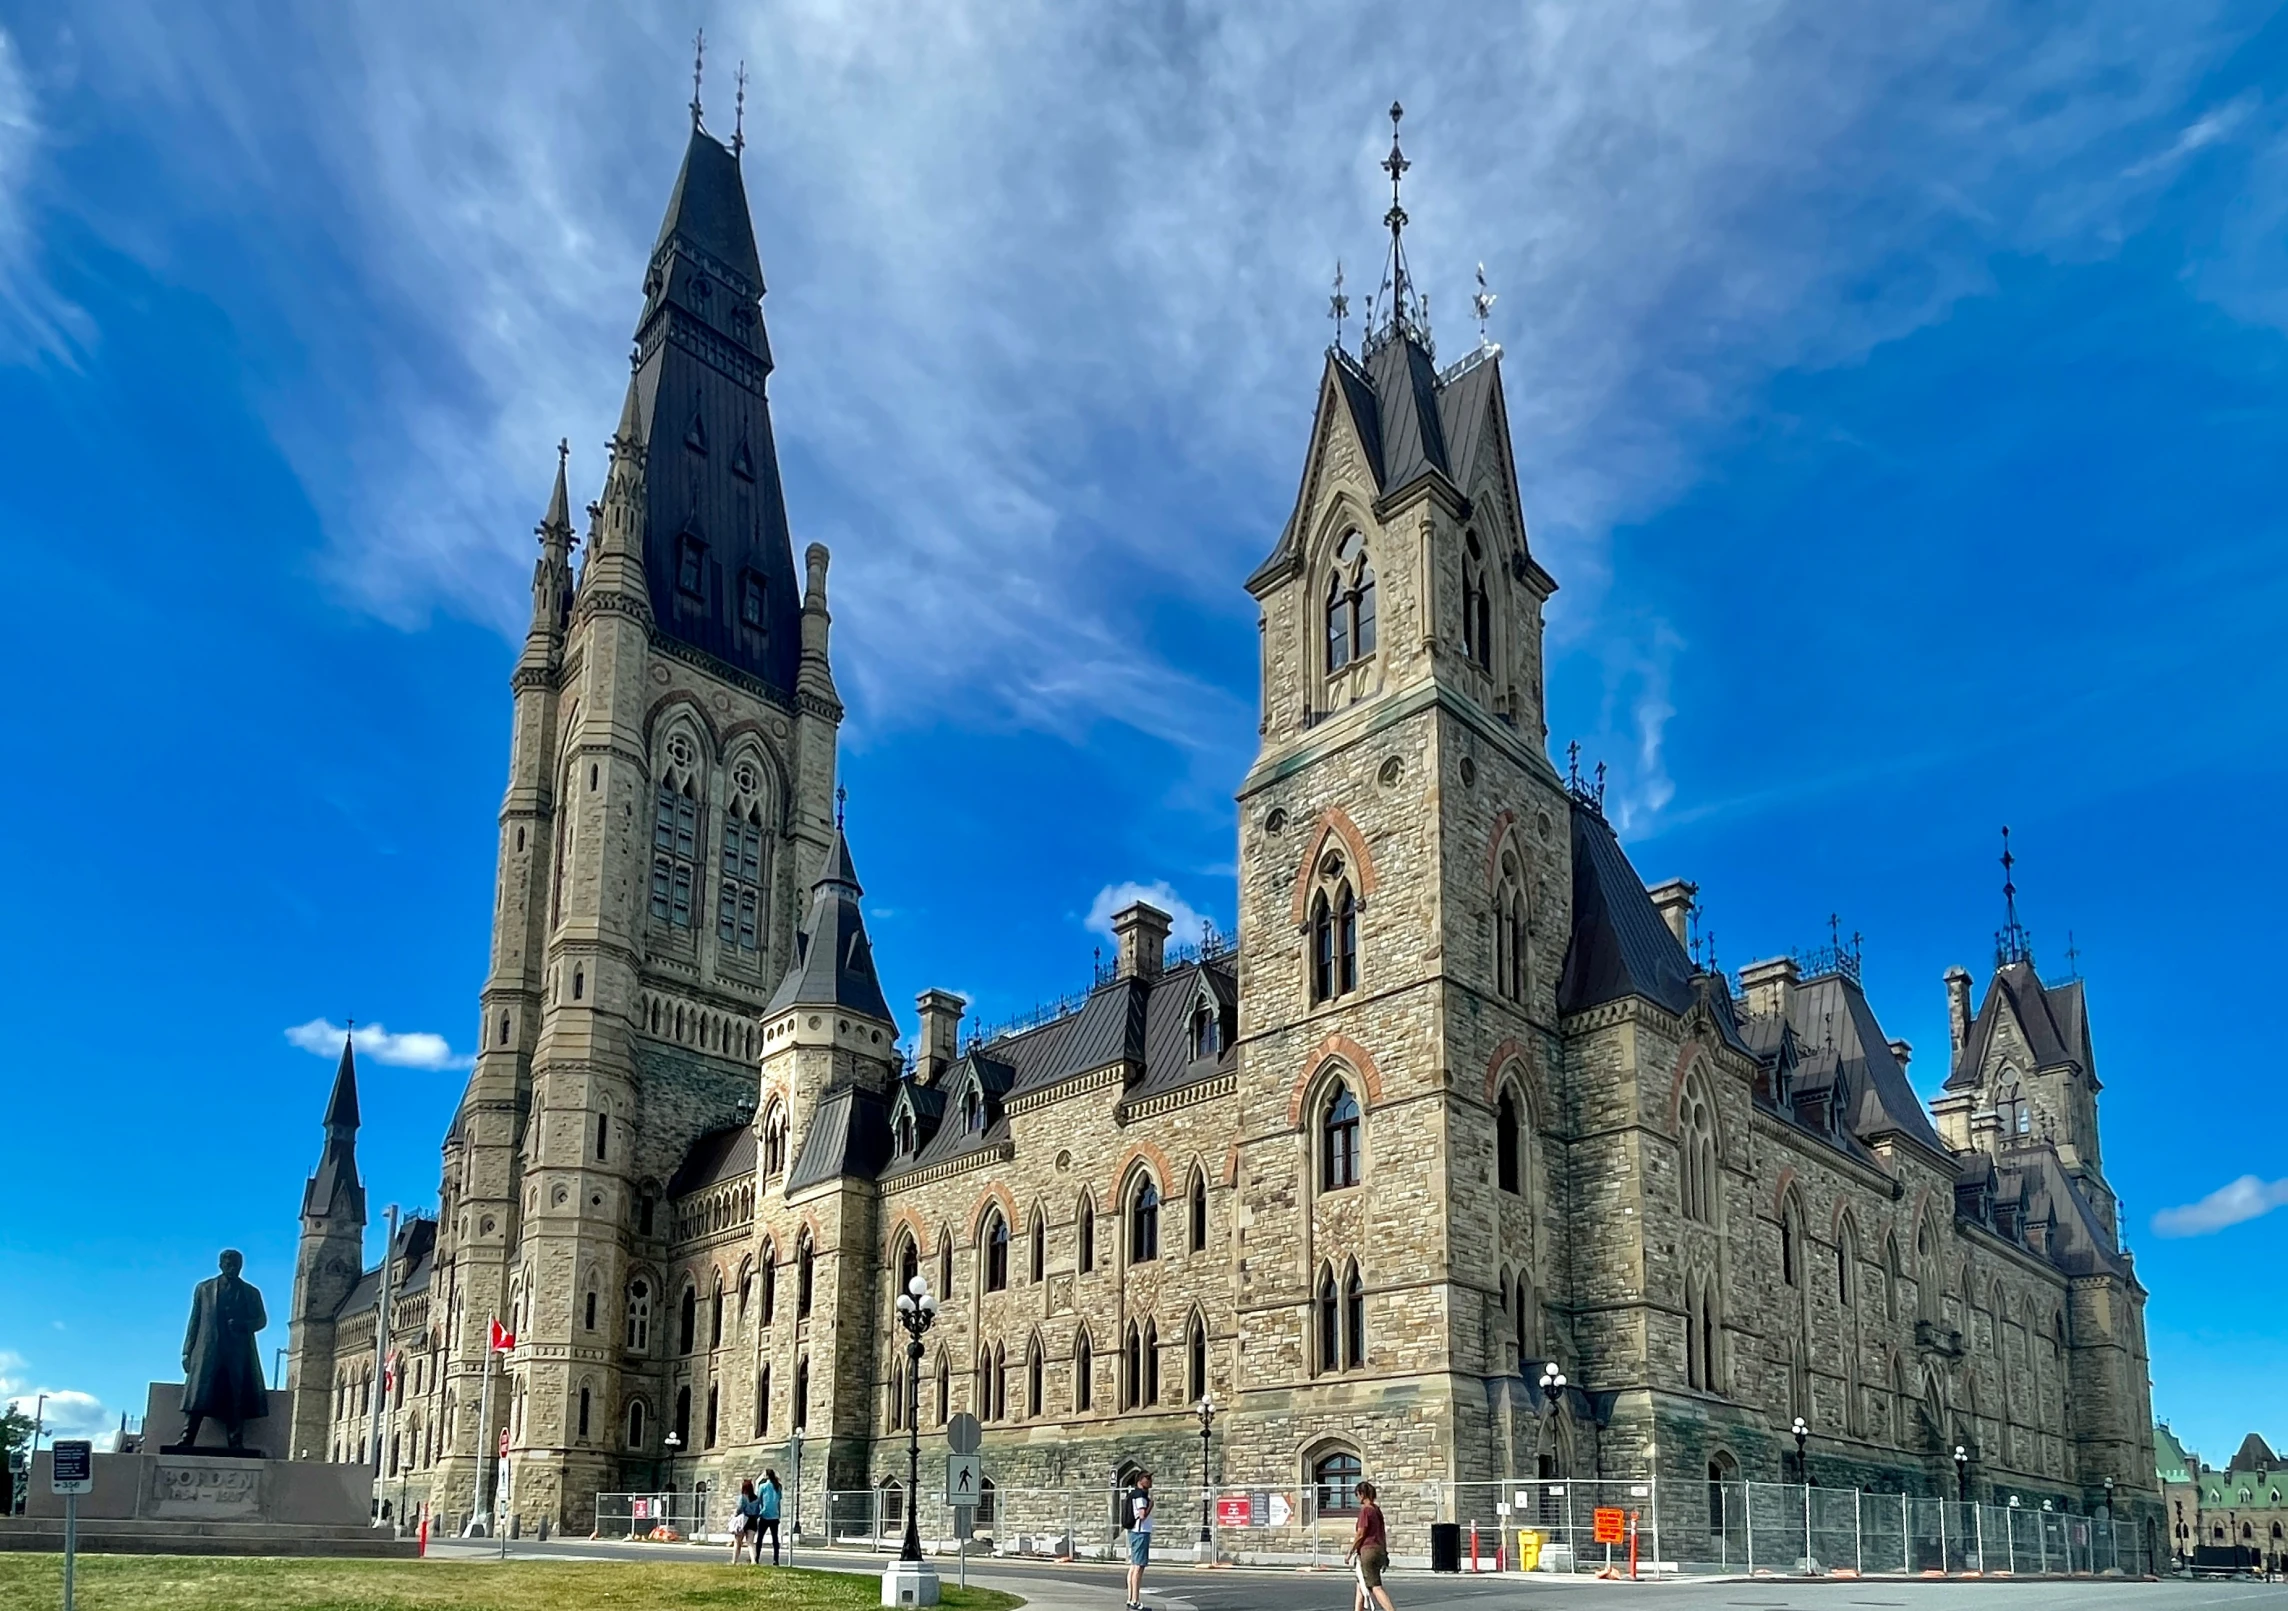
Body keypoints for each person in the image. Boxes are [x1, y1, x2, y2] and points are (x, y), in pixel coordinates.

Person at [1345, 1479, 1394, 1611]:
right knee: (1360, 1584)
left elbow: (1361, 1533)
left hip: (1368, 1551)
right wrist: (1385, 1552)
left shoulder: (1365, 1511)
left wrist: (1350, 1551)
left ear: (1361, 1494)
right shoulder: (1377, 1510)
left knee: (1375, 1586)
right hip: (1378, 1549)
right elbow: (1381, 1532)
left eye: (1357, 1495)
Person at [1124, 1470, 1154, 1610]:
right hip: (1141, 1532)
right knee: (1138, 1567)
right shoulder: (1141, 1495)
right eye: (1147, 1478)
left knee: (1133, 1566)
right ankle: (1135, 1601)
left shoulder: (1133, 1494)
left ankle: (1131, 1599)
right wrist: (1150, 1506)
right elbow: (1142, 1515)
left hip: (1134, 1532)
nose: (1150, 1481)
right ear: (1140, 1480)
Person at [731, 1478, 765, 1563]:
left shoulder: (743, 1497)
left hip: (743, 1521)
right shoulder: (756, 1499)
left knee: (738, 1542)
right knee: (750, 1543)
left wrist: (734, 1515)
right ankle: (753, 1560)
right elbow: (758, 1511)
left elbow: (740, 1508)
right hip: (753, 1521)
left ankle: (734, 1560)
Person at [756, 1467, 784, 1565]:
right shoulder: (778, 1487)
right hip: (774, 1516)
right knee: (775, 1539)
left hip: (764, 1515)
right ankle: (776, 1559)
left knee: (760, 1538)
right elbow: (778, 1502)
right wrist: (779, 1514)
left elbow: (759, 1500)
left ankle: (756, 1558)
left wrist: (758, 1512)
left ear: (767, 1476)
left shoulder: (763, 1487)